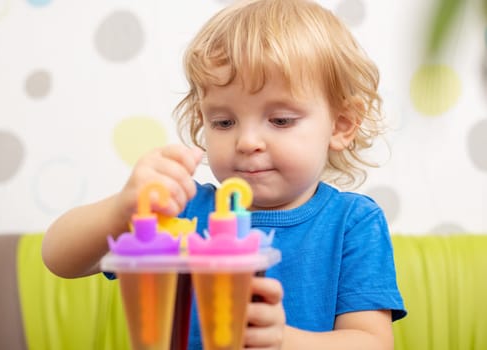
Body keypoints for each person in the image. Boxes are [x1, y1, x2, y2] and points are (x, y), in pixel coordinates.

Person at [42, 0, 406, 348]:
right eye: (224, 121)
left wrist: (284, 342)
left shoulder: (353, 223)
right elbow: (59, 258)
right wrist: (123, 209)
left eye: (280, 120)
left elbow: (371, 342)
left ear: (341, 125)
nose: (247, 141)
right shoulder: (182, 211)